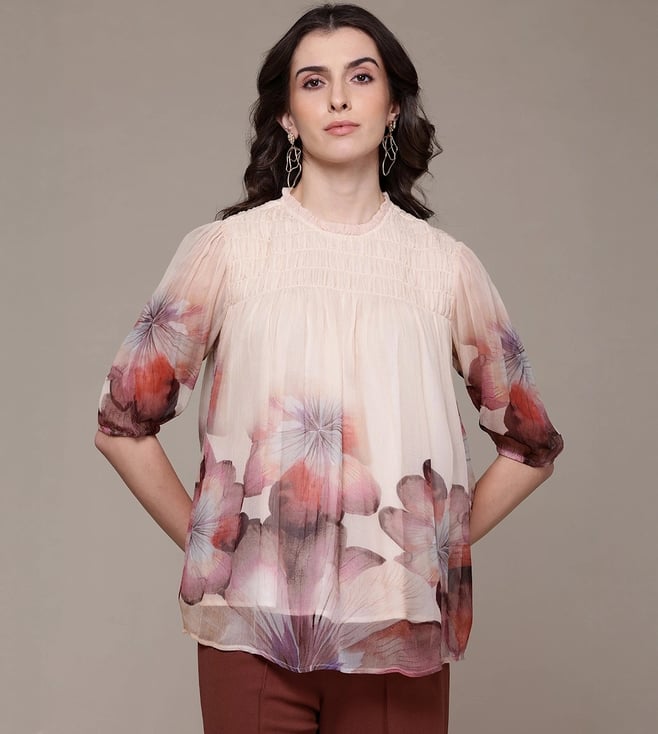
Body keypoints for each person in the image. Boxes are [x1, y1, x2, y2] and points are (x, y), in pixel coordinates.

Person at [95, 4, 564, 733]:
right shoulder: (227, 252)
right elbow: (122, 425)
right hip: (252, 634)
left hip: (396, 632)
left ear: (393, 105)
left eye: (361, 77)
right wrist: (213, 546)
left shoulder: (445, 268)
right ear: (287, 116)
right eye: (314, 81)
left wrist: (436, 547)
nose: (339, 98)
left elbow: (530, 443)